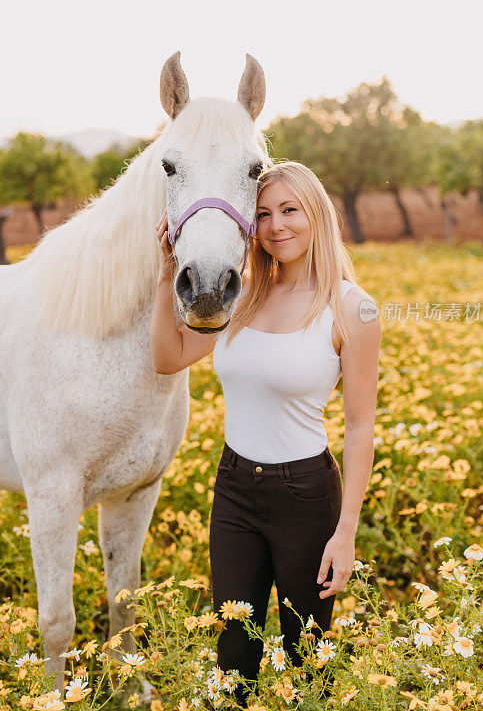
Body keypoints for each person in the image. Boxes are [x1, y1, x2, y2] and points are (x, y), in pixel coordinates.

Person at [151, 161, 381, 708]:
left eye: (289, 210)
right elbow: (168, 357)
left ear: (316, 215)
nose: (276, 225)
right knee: (233, 659)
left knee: (308, 661)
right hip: (232, 491)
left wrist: (346, 532)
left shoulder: (353, 308)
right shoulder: (242, 294)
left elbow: (359, 425)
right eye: (263, 214)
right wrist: (167, 276)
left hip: (306, 496)